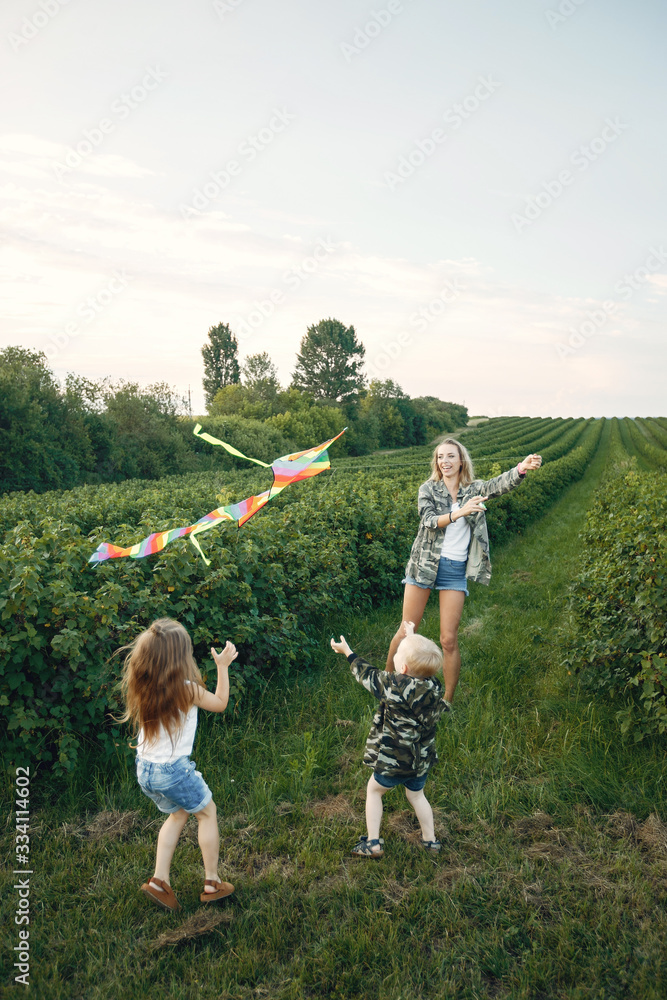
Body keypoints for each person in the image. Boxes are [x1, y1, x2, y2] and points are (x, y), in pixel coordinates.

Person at [386, 438, 542, 703]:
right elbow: (428, 521)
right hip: (423, 565)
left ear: (461, 461)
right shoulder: (428, 489)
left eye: (450, 456)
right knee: (406, 629)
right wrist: (459, 513)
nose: (444, 462)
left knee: (448, 640)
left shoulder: (473, 489)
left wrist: (521, 469)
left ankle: (446, 700)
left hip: (454, 569)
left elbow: (498, 485)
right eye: (440, 457)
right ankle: (386, 680)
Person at [118, 617, 238, 911]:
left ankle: (160, 881)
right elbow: (221, 702)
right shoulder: (186, 689)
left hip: (144, 769)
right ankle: (212, 882)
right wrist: (222, 666)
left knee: (179, 814)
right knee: (207, 813)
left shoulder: (142, 684)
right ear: (179, 658)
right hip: (172, 771)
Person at [331, 621, 449, 857]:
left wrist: (348, 652)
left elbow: (368, 674)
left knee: (374, 791)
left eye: (397, 655)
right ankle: (431, 841)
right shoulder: (434, 686)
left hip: (393, 759)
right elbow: (419, 663)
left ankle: (373, 843)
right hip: (419, 761)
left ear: (403, 668)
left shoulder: (394, 686)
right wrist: (412, 638)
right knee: (416, 795)